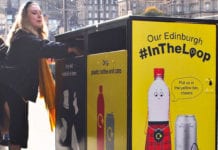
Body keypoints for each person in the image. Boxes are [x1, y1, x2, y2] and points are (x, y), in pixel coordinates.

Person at [0, 1, 79, 150]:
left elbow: (41, 47)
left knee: (15, 133)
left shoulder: (25, 37)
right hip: (10, 88)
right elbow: (43, 47)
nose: (39, 16)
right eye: (33, 13)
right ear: (24, 17)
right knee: (14, 132)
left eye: (40, 13)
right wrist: (70, 49)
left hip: (15, 89)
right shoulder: (22, 37)